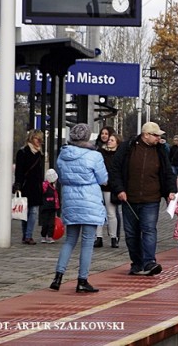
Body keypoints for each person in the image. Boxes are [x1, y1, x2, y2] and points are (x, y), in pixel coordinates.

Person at [109, 121, 177, 276]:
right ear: (146, 135)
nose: (159, 138)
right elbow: (115, 169)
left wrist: (171, 190)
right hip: (129, 198)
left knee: (149, 230)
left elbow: (168, 172)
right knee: (131, 233)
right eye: (156, 135)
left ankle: (149, 262)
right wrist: (119, 189)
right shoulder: (128, 147)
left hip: (151, 199)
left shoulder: (161, 151)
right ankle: (137, 263)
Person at [49, 123, 108, 293]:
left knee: (70, 240)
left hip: (70, 199)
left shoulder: (63, 154)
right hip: (89, 200)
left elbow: (60, 175)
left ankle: (58, 277)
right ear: (87, 137)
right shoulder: (94, 156)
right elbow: (103, 178)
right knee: (88, 242)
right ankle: (82, 280)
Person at [13, 129, 45, 245]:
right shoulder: (23, 152)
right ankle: (26, 235)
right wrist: (18, 185)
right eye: (37, 138)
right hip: (26, 185)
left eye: (41, 139)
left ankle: (28, 235)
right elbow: (19, 171)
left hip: (36, 186)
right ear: (31, 138)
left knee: (33, 211)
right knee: (25, 212)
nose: (39, 141)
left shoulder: (40, 153)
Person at [95, 133, 123, 248]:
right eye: (109, 140)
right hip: (99, 186)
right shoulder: (101, 153)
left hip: (110, 188)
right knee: (98, 213)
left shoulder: (119, 155)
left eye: (112, 140)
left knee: (111, 213)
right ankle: (98, 237)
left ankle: (113, 237)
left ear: (117, 142)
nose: (109, 141)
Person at [40, 168, 60, 243]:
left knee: (51, 223)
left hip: (52, 207)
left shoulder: (53, 186)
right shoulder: (45, 185)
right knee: (45, 223)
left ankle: (50, 236)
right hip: (46, 207)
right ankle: (44, 235)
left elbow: (56, 197)